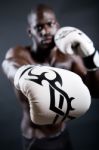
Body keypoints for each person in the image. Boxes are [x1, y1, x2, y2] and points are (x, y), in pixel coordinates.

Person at [1, 4, 99, 150]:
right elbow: (10, 65)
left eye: (50, 24)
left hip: (62, 132)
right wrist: (25, 75)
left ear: (57, 26)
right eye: (38, 27)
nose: (45, 31)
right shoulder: (21, 54)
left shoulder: (69, 57)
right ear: (30, 32)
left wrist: (90, 57)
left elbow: (96, 91)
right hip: (36, 139)